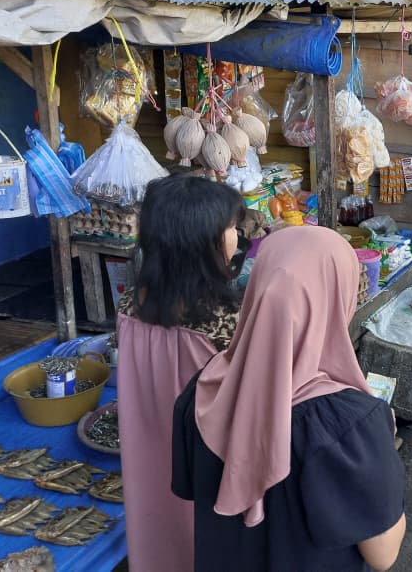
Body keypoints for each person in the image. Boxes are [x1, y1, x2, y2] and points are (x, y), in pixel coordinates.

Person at [172, 227, 407, 571]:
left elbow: (191, 491)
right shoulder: (350, 424)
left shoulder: (204, 390)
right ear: (336, 296)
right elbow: (383, 554)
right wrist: (382, 450)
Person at [116, 174, 245, 572]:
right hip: (204, 467)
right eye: (231, 228)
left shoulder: (129, 307)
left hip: (147, 452)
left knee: (157, 534)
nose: (237, 236)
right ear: (202, 243)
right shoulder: (229, 321)